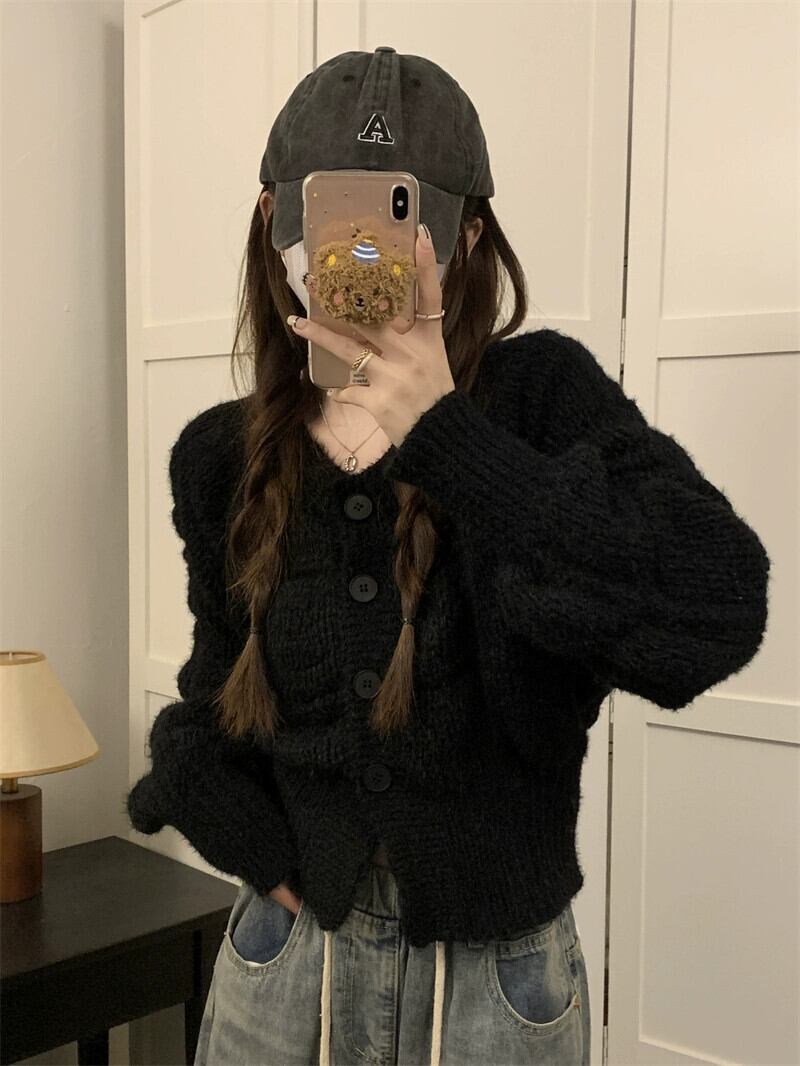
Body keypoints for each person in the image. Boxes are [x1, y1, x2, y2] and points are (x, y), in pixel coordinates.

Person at [125, 47, 771, 1066]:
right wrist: (220, 807)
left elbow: (714, 606)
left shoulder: (540, 400)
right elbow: (216, 698)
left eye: (401, 219)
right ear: (275, 221)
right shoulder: (222, 456)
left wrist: (448, 438)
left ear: (466, 235)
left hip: (494, 993)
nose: (362, 256)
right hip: (284, 967)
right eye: (330, 217)